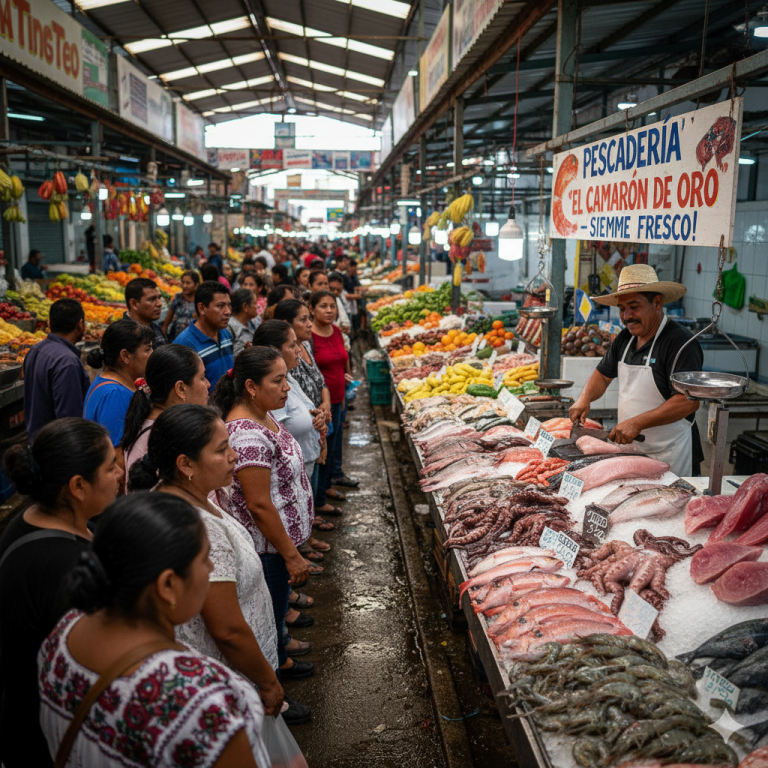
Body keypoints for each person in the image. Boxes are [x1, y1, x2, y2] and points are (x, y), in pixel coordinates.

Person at [38, 493, 272, 767]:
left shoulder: (63, 635)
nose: (211, 567)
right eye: (204, 558)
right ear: (168, 585)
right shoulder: (201, 699)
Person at [128, 406, 310, 727]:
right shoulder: (199, 530)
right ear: (185, 464)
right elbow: (227, 630)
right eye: (222, 449)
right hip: (228, 682)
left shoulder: (193, 496)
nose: (234, 455)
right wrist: (268, 683)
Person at [0, 418, 121, 768]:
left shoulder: (29, 519)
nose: (120, 474)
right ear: (78, 486)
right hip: (51, 740)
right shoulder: (70, 568)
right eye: (111, 467)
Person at [209, 348, 315, 681]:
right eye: (278, 380)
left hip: (274, 546)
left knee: (276, 611)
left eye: (286, 378)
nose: (287, 387)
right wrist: (291, 555)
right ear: (252, 387)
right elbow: (258, 503)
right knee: (268, 617)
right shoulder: (247, 433)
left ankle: (280, 656)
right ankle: (273, 679)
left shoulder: (263, 414)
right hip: (266, 548)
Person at [570, 264, 704, 477]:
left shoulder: (680, 342)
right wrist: (584, 398)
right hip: (631, 451)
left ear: (657, 303)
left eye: (634, 306)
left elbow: (687, 401)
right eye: (622, 309)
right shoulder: (625, 338)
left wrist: (637, 422)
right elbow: (603, 376)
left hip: (672, 453)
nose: (627, 316)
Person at [252, 321, 326, 567]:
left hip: (305, 462)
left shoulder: (287, 379)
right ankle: (291, 567)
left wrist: (317, 419)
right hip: (289, 475)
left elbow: (301, 413)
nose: (299, 350)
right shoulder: (273, 388)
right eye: (292, 345)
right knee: (284, 532)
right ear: (274, 349)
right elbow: (277, 429)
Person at [121, 345, 209, 477]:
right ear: (181, 389)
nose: (208, 384)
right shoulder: (164, 437)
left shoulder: (169, 427)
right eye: (202, 378)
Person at [310, 290, 358, 504]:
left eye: (332, 306)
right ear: (311, 309)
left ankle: (328, 486)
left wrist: (345, 374)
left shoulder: (336, 331)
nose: (329, 310)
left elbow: (340, 358)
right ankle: (318, 498)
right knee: (322, 450)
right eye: (323, 306)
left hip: (339, 399)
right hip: (321, 404)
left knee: (334, 444)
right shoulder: (308, 336)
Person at [23, 298, 89, 439]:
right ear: (80, 325)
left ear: (49, 323)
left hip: (37, 442)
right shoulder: (67, 362)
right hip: (56, 449)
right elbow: (69, 420)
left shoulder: (35, 349)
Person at [84, 319, 153, 450]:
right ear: (125, 356)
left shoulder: (107, 381)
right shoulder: (115, 394)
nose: (152, 354)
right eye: (147, 349)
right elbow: (117, 454)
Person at [174, 281, 234, 392]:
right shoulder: (185, 345)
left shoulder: (226, 334)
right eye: (220, 306)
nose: (228, 311)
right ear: (202, 308)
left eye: (229, 305)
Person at [124, 277, 167, 349]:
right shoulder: (124, 335)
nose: (159, 304)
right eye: (152, 299)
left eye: (159, 298)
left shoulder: (155, 327)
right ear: (134, 304)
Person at [162, 269, 199, 340]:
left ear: (196, 285)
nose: (184, 286)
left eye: (188, 283)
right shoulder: (178, 298)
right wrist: (163, 331)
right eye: (183, 282)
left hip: (194, 338)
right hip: (177, 337)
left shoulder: (200, 301)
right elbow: (169, 316)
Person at [229, 288, 259, 356]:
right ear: (245, 306)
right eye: (254, 303)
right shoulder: (230, 327)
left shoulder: (252, 323)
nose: (257, 307)